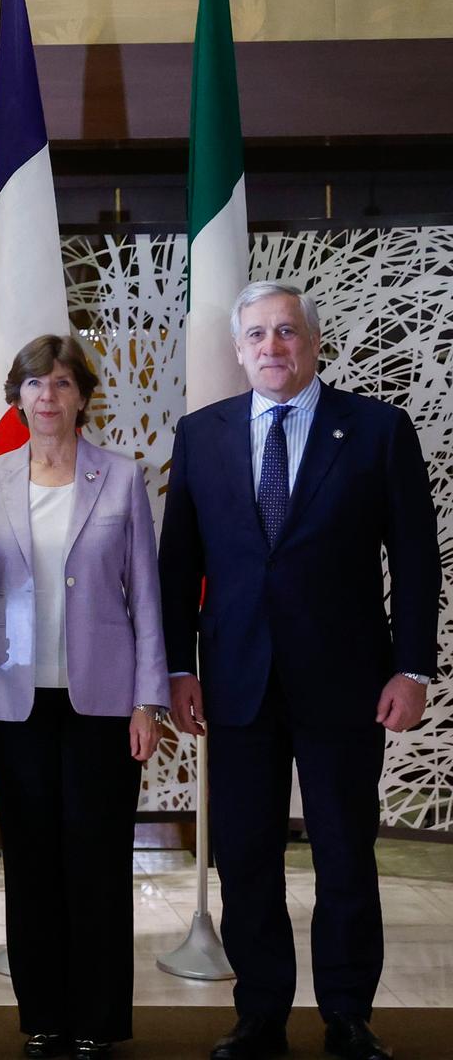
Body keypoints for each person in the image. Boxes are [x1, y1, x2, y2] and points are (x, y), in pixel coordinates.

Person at [159, 281, 438, 1060]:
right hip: (235, 682)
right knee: (246, 854)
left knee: (345, 850)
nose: (272, 348)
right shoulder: (202, 435)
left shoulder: (378, 430)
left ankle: (348, 1013)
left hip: (348, 681)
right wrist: (179, 666)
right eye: (257, 336)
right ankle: (261, 1014)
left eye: (286, 333)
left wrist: (413, 667)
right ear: (239, 349)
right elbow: (177, 566)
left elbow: (416, 559)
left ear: (313, 344)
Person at [0, 334, 169, 1059]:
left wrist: (149, 700)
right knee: (32, 862)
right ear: (18, 396)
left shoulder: (122, 476)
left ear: (82, 398)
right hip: (15, 705)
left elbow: (145, 597)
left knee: (97, 859)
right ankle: (43, 1014)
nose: (48, 396)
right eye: (35, 384)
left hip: (103, 704)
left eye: (63, 384)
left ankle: (99, 1019)